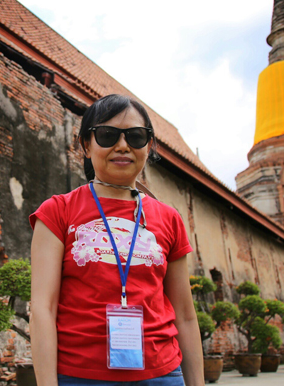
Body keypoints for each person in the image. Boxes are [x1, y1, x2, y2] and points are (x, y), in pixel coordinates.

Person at [29, 94, 204, 386]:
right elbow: (42, 309)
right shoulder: (58, 212)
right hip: (80, 377)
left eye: (136, 136)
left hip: (162, 374)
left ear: (148, 145)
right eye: (108, 135)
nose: (123, 145)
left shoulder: (169, 218)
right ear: (86, 145)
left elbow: (185, 315)